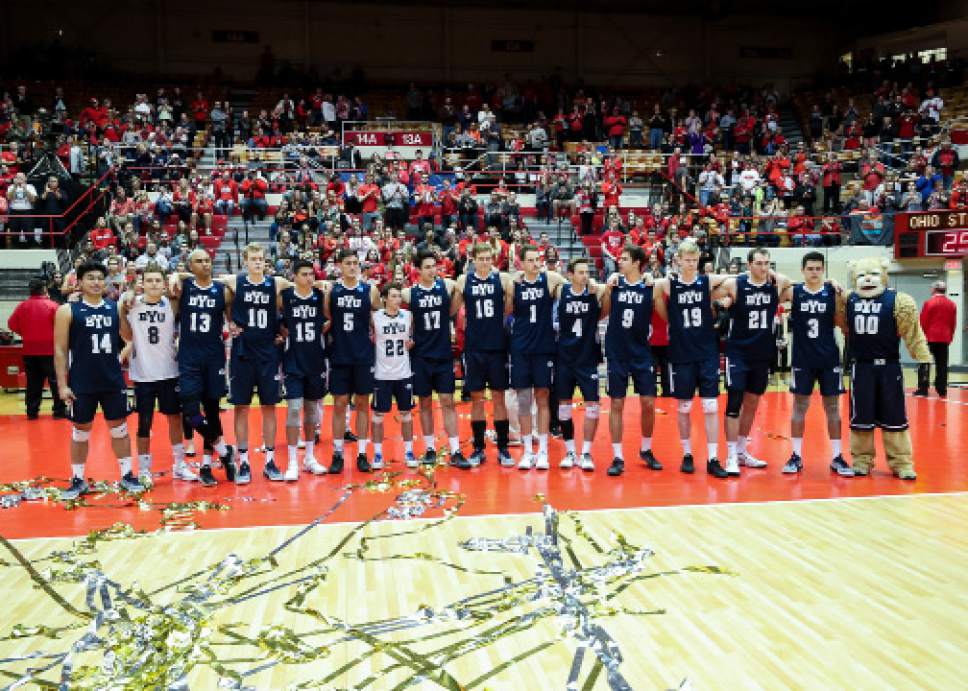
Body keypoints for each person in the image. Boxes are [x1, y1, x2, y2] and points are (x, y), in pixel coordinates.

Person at [54, 262, 139, 499]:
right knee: (81, 431)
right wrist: (62, 385)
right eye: (90, 278)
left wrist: (124, 307)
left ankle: (127, 475)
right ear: (79, 282)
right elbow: (60, 350)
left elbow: (129, 338)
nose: (96, 282)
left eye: (100, 278)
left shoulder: (113, 308)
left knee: (119, 429)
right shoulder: (67, 311)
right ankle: (78, 478)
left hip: (111, 380)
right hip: (82, 381)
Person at [652, 240, 731, 477]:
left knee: (710, 406)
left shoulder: (707, 282)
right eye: (687, 259)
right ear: (678, 260)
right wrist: (671, 322)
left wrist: (723, 301)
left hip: (706, 350)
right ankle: (687, 453)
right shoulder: (668, 283)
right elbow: (654, 293)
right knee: (684, 406)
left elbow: (733, 283)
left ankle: (713, 457)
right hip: (681, 351)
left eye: (694, 260)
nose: (691, 263)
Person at [216, 243, 288, 483]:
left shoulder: (275, 283)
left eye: (261, 259)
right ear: (245, 261)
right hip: (242, 353)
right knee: (241, 407)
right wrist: (229, 319)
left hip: (268, 353)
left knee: (270, 407)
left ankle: (269, 461)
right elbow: (206, 282)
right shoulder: (235, 282)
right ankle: (244, 462)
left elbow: (302, 287)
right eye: (253, 259)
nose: (258, 262)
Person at [119, 263, 196, 484]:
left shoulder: (171, 303)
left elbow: (195, 278)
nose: (154, 284)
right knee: (144, 423)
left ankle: (179, 464)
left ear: (163, 284)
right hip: (143, 375)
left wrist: (176, 275)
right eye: (149, 280)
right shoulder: (131, 305)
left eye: (158, 281)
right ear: (142, 284)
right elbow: (126, 335)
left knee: (175, 419)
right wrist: (124, 306)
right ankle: (144, 469)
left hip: (169, 372)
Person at [779, 252, 853, 476]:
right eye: (810, 268)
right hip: (803, 358)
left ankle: (837, 456)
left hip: (829, 357)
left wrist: (836, 287)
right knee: (799, 407)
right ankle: (796, 455)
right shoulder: (795, 291)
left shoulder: (834, 292)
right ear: (802, 270)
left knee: (832, 409)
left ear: (823, 270)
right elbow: (772, 282)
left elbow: (843, 324)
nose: (814, 272)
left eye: (818, 269)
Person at [719, 247, 791, 476]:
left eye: (766, 263)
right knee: (734, 401)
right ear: (749, 265)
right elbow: (713, 288)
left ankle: (741, 451)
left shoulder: (775, 284)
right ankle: (730, 454)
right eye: (758, 263)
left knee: (752, 402)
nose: (763, 268)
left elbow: (789, 281)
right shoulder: (735, 284)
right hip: (738, 351)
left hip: (762, 352)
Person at [168, 249, 235, 487]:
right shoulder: (182, 288)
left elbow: (232, 319)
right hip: (188, 357)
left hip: (214, 357)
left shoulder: (222, 291)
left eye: (207, 260)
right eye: (199, 261)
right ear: (190, 265)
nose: (205, 264)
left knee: (213, 410)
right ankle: (225, 452)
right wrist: (178, 276)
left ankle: (207, 464)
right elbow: (171, 287)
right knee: (191, 412)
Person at [451, 243, 515, 467]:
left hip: (497, 346)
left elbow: (508, 309)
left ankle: (504, 448)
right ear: (474, 260)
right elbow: (451, 310)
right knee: (477, 399)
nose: (486, 262)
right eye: (482, 258)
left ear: (494, 259)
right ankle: (479, 447)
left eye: (489, 258)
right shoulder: (464, 280)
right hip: (474, 347)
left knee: (499, 398)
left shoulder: (503, 280)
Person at [602, 244, 662, 477]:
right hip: (617, 351)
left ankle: (646, 449)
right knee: (617, 403)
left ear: (637, 263)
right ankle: (617, 456)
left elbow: (662, 313)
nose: (619, 261)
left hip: (641, 352)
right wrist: (608, 291)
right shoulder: (615, 284)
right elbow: (604, 313)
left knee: (648, 402)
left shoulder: (651, 286)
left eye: (624, 258)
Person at [402, 250, 465, 468]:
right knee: (425, 403)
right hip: (420, 356)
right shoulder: (410, 294)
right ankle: (430, 448)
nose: (432, 270)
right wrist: (407, 337)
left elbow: (459, 293)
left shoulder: (446, 286)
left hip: (443, 355)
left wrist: (451, 313)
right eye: (427, 267)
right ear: (418, 270)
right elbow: (399, 316)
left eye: (434, 266)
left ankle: (456, 450)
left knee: (448, 402)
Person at [324, 248, 381, 473]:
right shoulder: (333, 290)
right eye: (347, 262)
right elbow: (328, 317)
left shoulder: (369, 290)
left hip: (363, 355)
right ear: (339, 266)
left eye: (355, 262)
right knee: (339, 405)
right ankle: (337, 453)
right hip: (340, 354)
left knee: (362, 405)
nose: (352, 266)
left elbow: (376, 319)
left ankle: (361, 453)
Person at [510, 245, 566, 471]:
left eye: (538, 259)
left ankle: (542, 450)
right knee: (524, 400)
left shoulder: (550, 279)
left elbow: (572, 285)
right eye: (531, 260)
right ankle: (527, 451)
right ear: (521, 263)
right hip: (521, 348)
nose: (536, 263)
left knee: (542, 397)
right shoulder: (513, 283)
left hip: (543, 347)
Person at [280, 259, 330, 479]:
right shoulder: (286, 297)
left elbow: (330, 318)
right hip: (293, 361)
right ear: (295, 277)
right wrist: (280, 332)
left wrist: (325, 287)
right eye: (304, 274)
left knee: (311, 412)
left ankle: (309, 458)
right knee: (293, 409)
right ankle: (292, 462)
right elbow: (275, 318)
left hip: (315, 361)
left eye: (312, 274)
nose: (310, 278)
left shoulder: (320, 297)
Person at [555, 257, 605, 471]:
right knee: (564, 407)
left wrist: (598, 286)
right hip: (565, 358)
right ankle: (569, 451)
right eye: (581, 272)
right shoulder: (561, 292)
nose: (586, 276)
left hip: (587, 359)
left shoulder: (595, 292)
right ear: (570, 275)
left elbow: (609, 287)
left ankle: (586, 452)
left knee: (592, 406)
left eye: (587, 272)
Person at [7, 277, 67, 419]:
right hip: (50, 350)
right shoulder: (53, 306)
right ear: (45, 290)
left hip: (29, 350)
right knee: (55, 381)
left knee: (33, 382)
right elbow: (61, 327)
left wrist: (25, 333)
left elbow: (11, 324)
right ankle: (59, 411)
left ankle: (32, 412)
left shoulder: (22, 306)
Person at [371, 284, 416, 469]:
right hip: (382, 374)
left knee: (406, 414)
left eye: (399, 296)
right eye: (394, 296)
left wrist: (413, 340)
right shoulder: (375, 317)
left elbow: (415, 334)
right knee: (378, 416)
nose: (398, 299)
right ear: (385, 299)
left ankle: (409, 451)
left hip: (403, 372)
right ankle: (377, 453)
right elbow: (371, 294)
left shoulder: (408, 315)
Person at [916, 281, 957, 398]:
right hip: (944, 339)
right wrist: (950, 337)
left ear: (934, 289)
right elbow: (952, 323)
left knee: (925, 363)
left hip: (929, 337)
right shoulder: (952, 304)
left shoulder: (929, 303)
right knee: (942, 365)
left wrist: (920, 337)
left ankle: (923, 389)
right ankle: (942, 389)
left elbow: (923, 322)